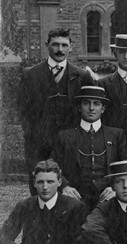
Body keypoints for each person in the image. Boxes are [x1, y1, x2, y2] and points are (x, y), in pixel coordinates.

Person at [18, 28, 94, 194]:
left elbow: (89, 111)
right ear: (47, 45)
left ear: (71, 47)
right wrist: (33, 133)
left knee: (70, 193)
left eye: (64, 45)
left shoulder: (82, 77)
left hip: (71, 146)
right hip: (38, 145)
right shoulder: (30, 74)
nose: (60, 49)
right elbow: (22, 109)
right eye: (55, 45)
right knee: (41, 192)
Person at [52, 86, 127, 209]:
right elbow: (52, 166)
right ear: (79, 107)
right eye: (86, 103)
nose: (91, 108)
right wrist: (65, 186)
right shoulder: (65, 136)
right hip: (76, 195)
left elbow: (126, 166)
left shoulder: (116, 135)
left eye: (96, 104)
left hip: (108, 195)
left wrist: (115, 187)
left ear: (103, 109)